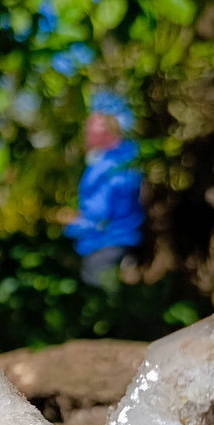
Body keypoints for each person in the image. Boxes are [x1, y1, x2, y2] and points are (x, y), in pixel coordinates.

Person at [59, 92, 145, 289]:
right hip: (124, 242)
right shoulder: (130, 156)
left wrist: (72, 223)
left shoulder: (106, 167)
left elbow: (99, 215)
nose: (88, 129)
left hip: (106, 245)